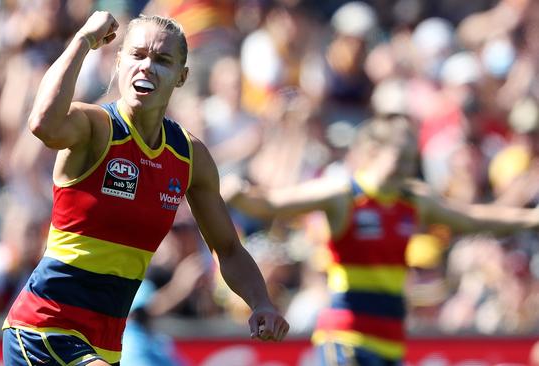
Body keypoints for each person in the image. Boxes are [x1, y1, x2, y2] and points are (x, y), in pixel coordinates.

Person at [1, 10, 289, 366]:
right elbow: (43, 123)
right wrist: (83, 41)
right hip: (45, 329)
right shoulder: (95, 127)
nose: (147, 67)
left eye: (162, 60)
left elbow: (227, 249)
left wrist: (260, 301)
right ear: (119, 62)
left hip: (104, 346)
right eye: (137, 55)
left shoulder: (188, 155)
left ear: (182, 77)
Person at [224, 116, 539, 365]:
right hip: (346, 337)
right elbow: (274, 203)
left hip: (390, 340)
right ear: (372, 152)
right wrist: (237, 193)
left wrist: (530, 218)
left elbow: (472, 219)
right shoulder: (343, 196)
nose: (406, 167)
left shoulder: (414, 200)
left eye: (410, 158)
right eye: (399, 158)